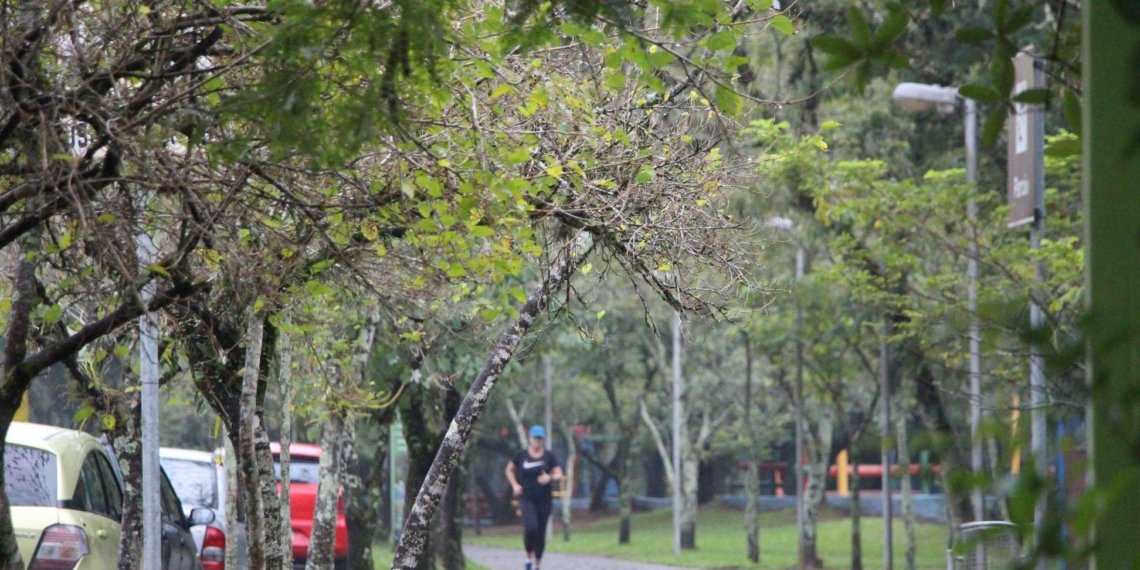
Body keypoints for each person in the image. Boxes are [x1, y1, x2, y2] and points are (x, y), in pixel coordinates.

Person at [505, 425, 564, 570]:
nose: (537, 441)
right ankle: (528, 558)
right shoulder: (522, 455)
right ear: (530, 438)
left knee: (541, 532)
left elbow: (559, 474)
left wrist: (549, 478)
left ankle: (537, 564)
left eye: (539, 438)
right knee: (531, 528)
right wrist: (514, 485)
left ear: (542, 439)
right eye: (535, 438)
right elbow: (509, 469)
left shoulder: (549, 456)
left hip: (544, 500)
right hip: (527, 499)